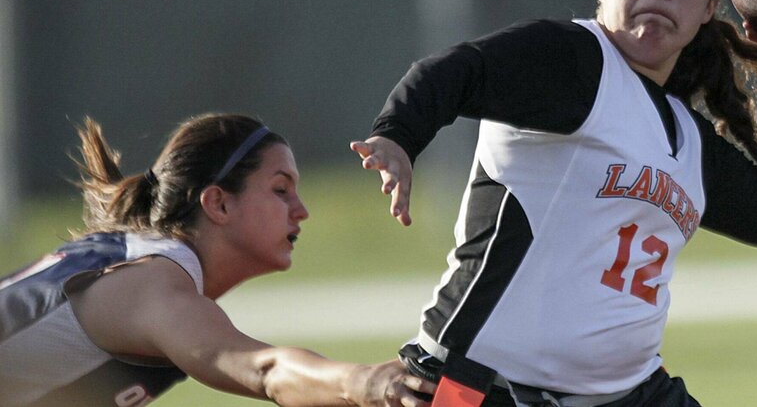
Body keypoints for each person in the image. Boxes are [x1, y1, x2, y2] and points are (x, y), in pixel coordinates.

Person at [351, 0, 757, 405]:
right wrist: (398, 134)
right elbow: (459, 71)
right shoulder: (576, 61)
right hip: (488, 388)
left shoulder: (686, 136)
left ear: (710, 7)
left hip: (627, 393)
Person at [0, 113, 435, 407]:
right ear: (218, 204)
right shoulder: (154, 285)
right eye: (280, 190)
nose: (301, 210)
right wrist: (362, 383)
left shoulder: (138, 258)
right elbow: (265, 371)